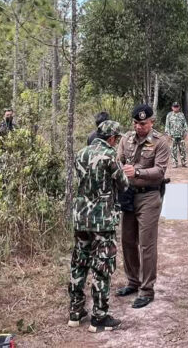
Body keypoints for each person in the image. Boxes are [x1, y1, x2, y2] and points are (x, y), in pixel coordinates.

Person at [68, 120, 129, 332]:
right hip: (102, 219)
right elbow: (123, 184)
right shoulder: (110, 155)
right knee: (102, 266)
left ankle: (75, 311)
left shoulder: (81, 153)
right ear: (111, 138)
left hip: (81, 216)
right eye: (116, 138)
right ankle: (99, 317)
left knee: (80, 261)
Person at [116, 104, 170, 308]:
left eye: (144, 123)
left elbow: (160, 171)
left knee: (146, 244)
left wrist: (137, 173)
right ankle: (133, 281)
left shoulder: (160, 142)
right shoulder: (125, 139)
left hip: (149, 196)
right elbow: (118, 161)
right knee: (128, 241)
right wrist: (121, 169)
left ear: (152, 122)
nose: (139, 127)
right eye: (136, 123)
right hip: (128, 195)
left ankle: (147, 289)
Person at [164, 102, 188, 168]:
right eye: (174, 106)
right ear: (172, 107)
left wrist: (185, 132)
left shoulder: (182, 115)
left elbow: (185, 124)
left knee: (183, 149)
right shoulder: (169, 115)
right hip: (173, 136)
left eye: (177, 106)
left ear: (179, 107)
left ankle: (184, 163)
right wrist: (168, 134)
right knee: (173, 150)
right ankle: (174, 163)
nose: (176, 108)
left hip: (181, 135)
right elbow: (167, 125)